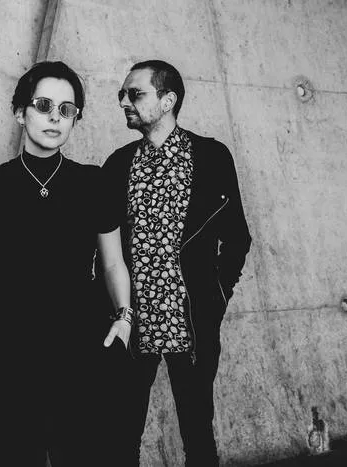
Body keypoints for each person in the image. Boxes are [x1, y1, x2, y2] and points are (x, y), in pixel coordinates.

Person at [0, 61, 133, 467]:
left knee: (85, 454)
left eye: (67, 109)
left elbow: (113, 263)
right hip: (7, 342)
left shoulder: (94, 183)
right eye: (43, 105)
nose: (55, 117)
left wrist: (124, 318)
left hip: (81, 341)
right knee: (12, 454)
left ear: (75, 119)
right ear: (20, 113)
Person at [102, 60, 252, 466]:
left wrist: (216, 298)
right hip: (134, 321)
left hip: (191, 320)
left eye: (135, 94)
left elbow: (237, 238)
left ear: (167, 101)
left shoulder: (210, 157)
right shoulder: (118, 165)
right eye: (122, 94)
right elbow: (104, 247)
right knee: (121, 436)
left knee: (198, 433)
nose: (124, 102)